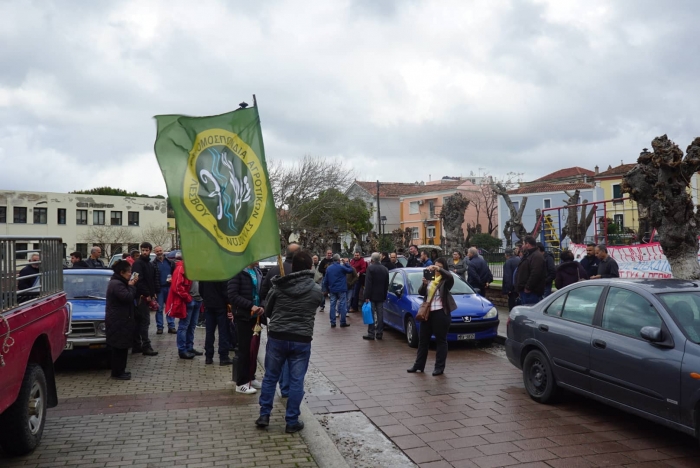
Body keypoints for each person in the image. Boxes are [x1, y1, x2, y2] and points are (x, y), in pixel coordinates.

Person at [255, 251, 323, 433]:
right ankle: (292, 420)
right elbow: (317, 304)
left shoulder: (278, 287)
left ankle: (264, 414)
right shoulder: (316, 290)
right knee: (296, 380)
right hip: (301, 339)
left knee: (270, 376)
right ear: (310, 267)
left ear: (292, 267)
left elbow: (268, 311)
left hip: (277, 336)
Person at [260, 244, 299, 398]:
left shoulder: (274, 271)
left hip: (276, 320)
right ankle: (287, 387)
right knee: (292, 356)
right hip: (295, 321)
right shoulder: (300, 272)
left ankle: (283, 385)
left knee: (277, 357)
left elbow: (263, 293)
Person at [407, 258, 456, 376]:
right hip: (428, 313)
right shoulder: (431, 278)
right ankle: (419, 365)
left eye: (439, 267)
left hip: (440, 313)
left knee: (441, 341)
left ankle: (439, 367)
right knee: (423, 340)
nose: (435, 268)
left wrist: (439, 269)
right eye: (435, 266)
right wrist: (424, 284)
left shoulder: (445, 281)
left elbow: (450, 276)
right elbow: (422, 292)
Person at [227, 262, 264, 394]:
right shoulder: (237, 271)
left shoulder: (257, 272)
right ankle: (241, 382)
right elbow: (232, 295)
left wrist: (262, 306)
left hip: (256, 318)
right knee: (244, 350)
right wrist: (250, 306)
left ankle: (250, 377)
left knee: (253, 349)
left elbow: (261, 293)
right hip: (243, 317)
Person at [105, 260, 138, 380]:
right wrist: (132, 287)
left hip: (121, 320)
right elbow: (128, 297)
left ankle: (121, 370)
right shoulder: (117, 284)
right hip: (118, 321)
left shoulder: (119, 282)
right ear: (122, 272)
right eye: (129, 272)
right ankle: (117, 372)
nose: (130, 274)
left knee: (123, 347)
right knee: (119, 348)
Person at [130, 242, 158, 356]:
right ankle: (145, 346)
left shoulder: (150, 264)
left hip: (146, 296)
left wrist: (154, 292)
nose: (144, 252)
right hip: (141, 297)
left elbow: (151, 280)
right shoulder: (138, 264)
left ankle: (137, 345)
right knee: (144, 322)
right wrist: (146, 294)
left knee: (139, 322)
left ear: (150, 251)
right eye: (143, 250)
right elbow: (138, 281)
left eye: (146, 250)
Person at [200, 280, 232, 366]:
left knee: (209, 332)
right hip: (221, 305)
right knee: (223, 332)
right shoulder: (221, 273)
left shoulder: (205, 274)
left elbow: (201, 289)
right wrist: (228, 302)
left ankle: (208, 357)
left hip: (209, 305)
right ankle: (223, 357)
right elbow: (225, 291)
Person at [321, 254, 354, 328]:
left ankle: (333, 322)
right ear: (339, 260)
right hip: (341, 289)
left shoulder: (329, 268)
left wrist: (327, 289)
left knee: (332, 305)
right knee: (342, 305)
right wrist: (347, 264)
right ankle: (342, 322)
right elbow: (350, 270)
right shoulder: (341, 267)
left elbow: (325, 281)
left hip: (332, 289)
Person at [363, 252, 389, 341]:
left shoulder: (370, 268)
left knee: (371, 314)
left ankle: (371, 333)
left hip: (371, 295)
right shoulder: (385, 269)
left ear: (372, 259)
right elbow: (386, 284)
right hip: (381, 295)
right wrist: (385, 295)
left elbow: (368, 283)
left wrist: (366, 296)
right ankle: (379, 333)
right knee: (380, 314)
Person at [516, 236, 546, 305]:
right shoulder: (529, 255)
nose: (522, 246)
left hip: (531, 293)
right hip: (525, 291)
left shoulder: (536, 256)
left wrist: (528, 288)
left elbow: (535, 273)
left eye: (523, 244)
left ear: (528, 244)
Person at [153, 245, 176, 335]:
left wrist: (173, 281)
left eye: (160, 250)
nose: (159, 252)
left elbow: (174, 274)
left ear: (163, 251)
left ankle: (171, 326)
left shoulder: (170, 262)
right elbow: (152, 278)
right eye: (157, 251)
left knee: (170, 307)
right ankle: (160, 327)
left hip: (169, 287)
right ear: (155, 253)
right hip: (159, 289)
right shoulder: (153, 264)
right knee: (159, 309)